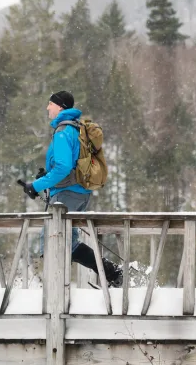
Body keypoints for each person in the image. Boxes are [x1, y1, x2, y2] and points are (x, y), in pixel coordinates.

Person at [19, 91, 122, 287]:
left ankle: (57, 292)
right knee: (66, 241)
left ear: (60, 107)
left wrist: (36, 185)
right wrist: (46, 178)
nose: (48, 108)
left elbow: (64, 167)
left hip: (67, 194)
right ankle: (110, 273)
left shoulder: (63, 131)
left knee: (53, 240)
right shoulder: (75, 128)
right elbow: (69, 165)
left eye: (50, 104)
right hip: (78, 192)